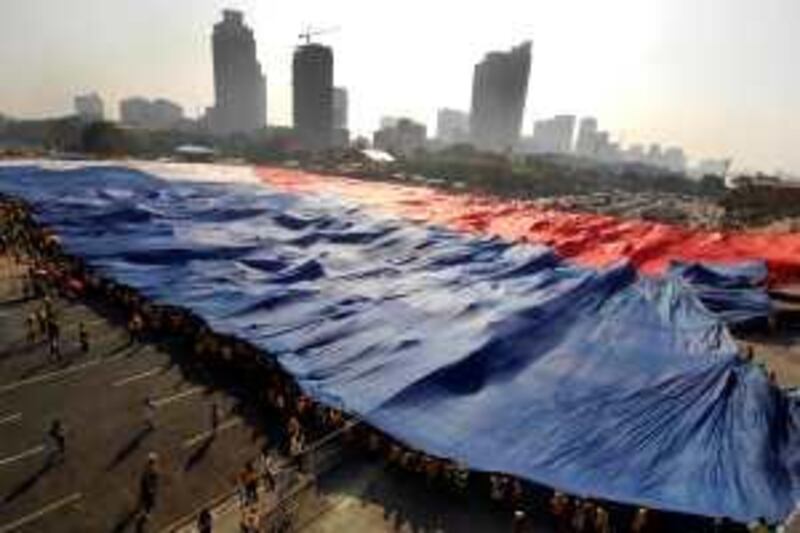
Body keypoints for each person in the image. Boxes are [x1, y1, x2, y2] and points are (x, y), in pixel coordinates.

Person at [138, 453, 159, 519]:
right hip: (149, 488)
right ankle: (146, 513)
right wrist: (152, 488)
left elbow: (145, 477)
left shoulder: (147, 467)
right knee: (149, 501)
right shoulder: (153, 469)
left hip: (146, 487)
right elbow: (154, 480)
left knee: (144, 498)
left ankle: (143, 509)